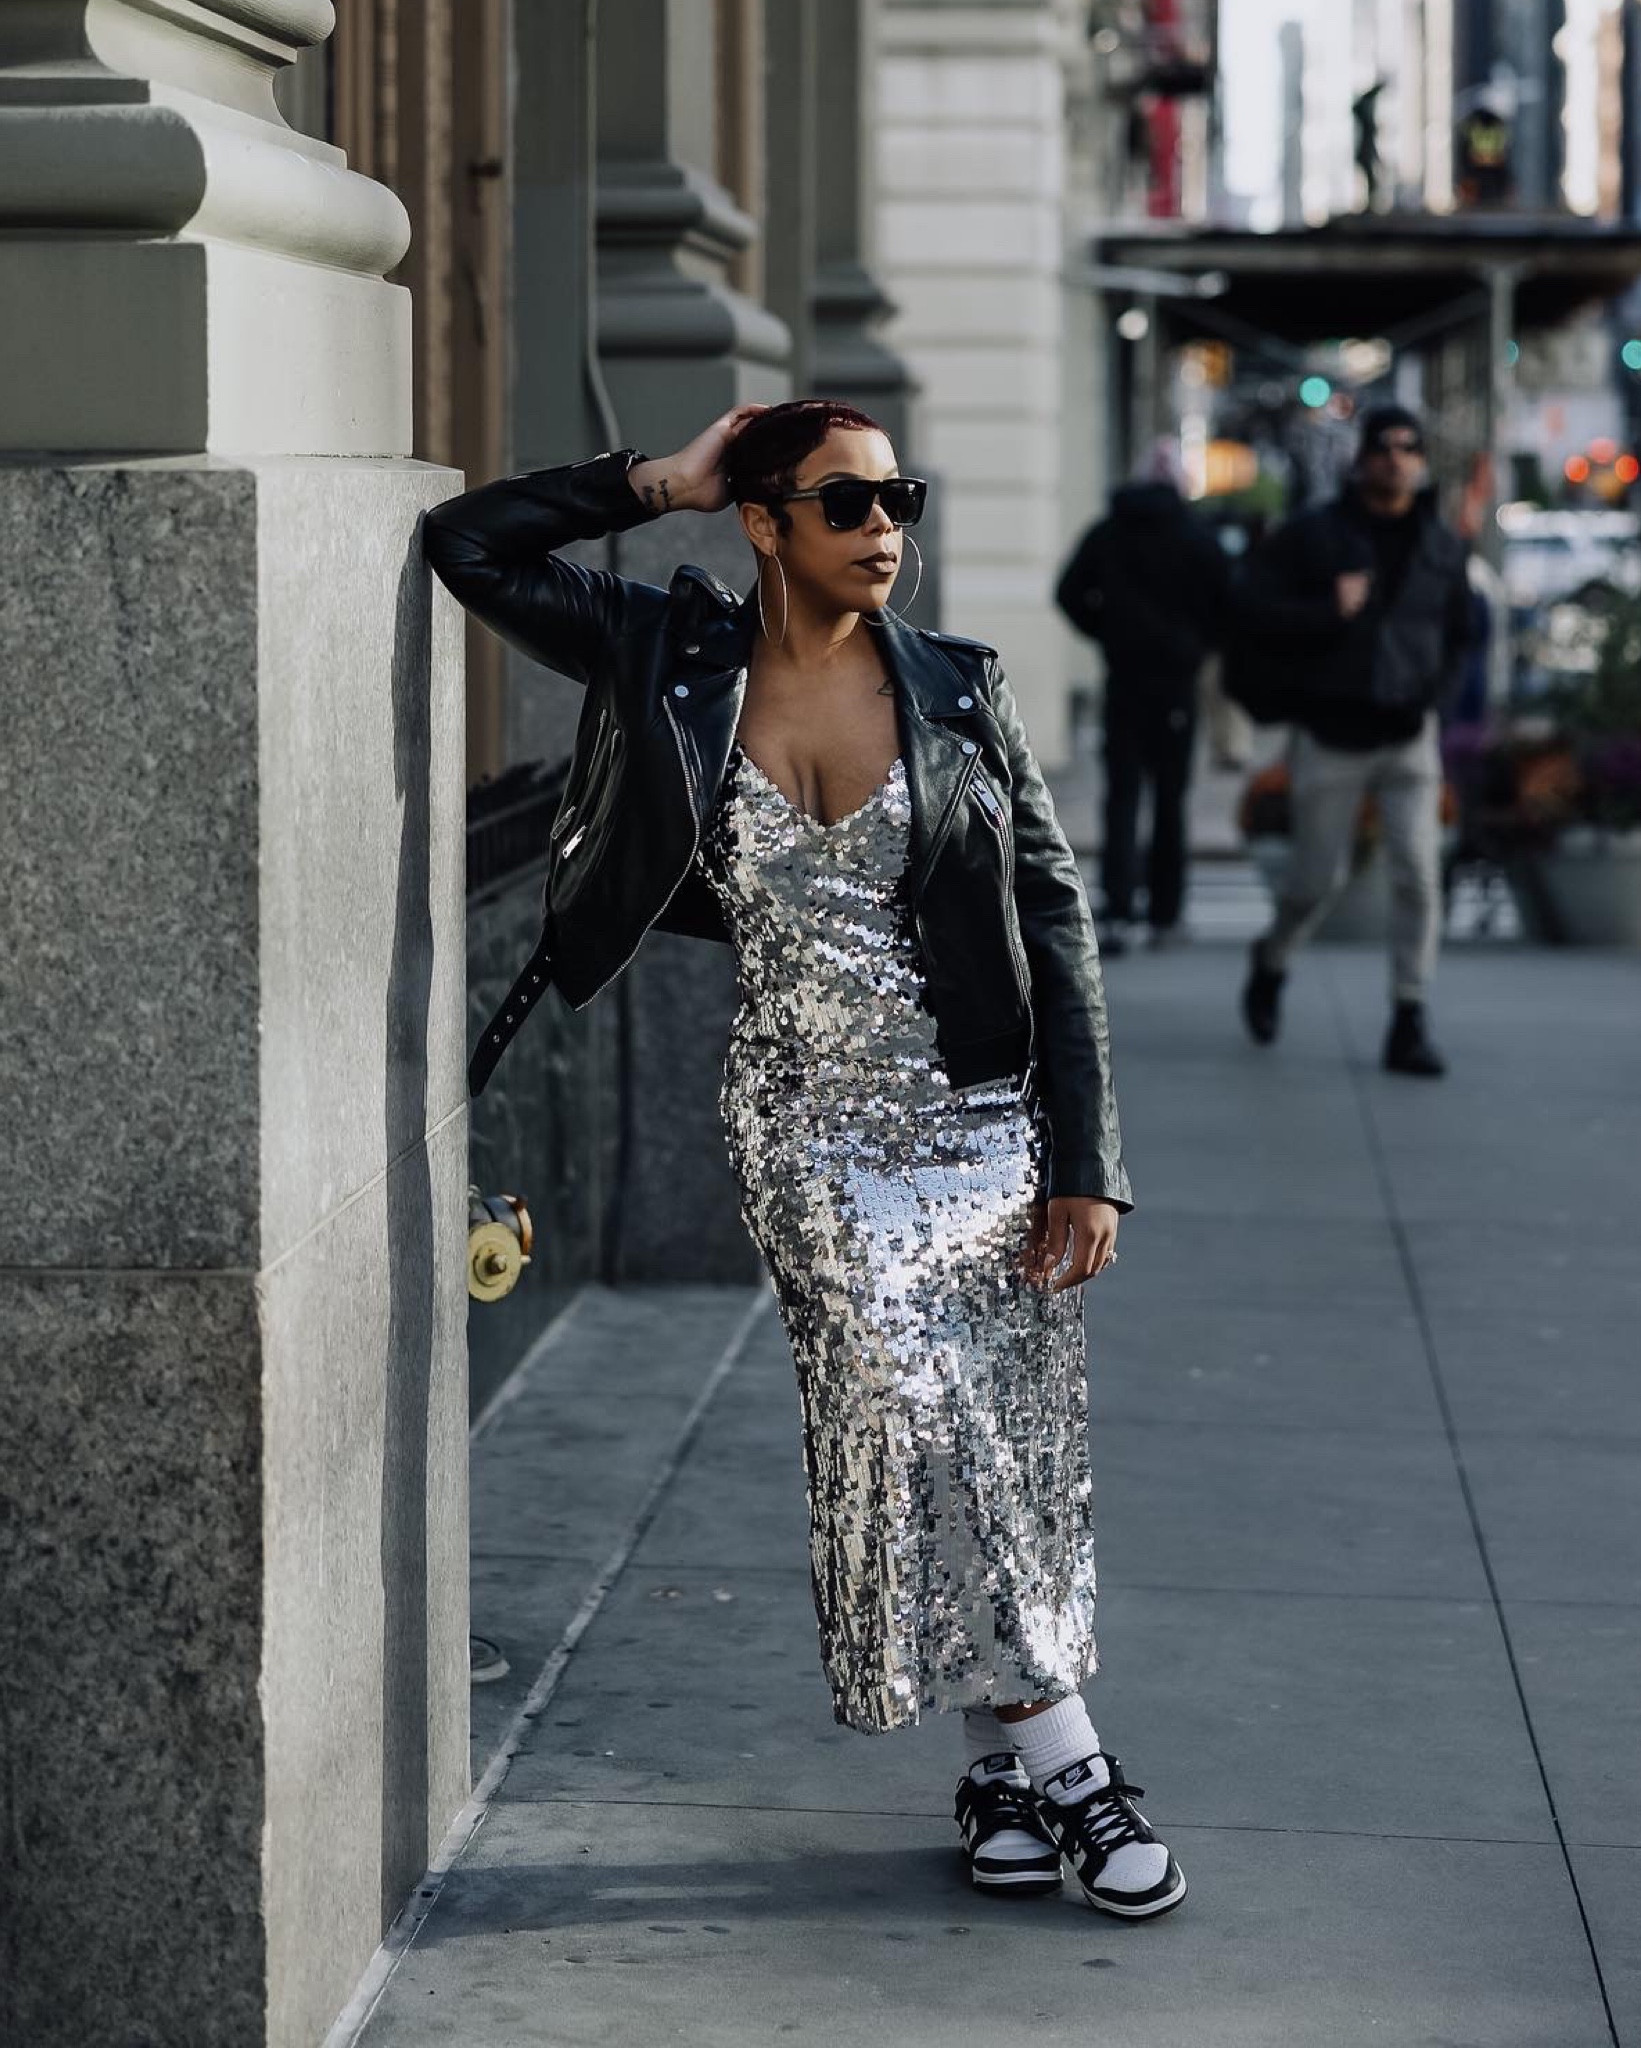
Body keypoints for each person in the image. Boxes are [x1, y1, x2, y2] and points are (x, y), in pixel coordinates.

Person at [424, 399, 1186, 1921]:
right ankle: (1078, 1763)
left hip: (983, 1120)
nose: (884, 525)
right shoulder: (664, 655)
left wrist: (1085, 1159)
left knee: (1011, 1434)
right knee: (905, 1407)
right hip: (806, 1124)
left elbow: (1052, 923)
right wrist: (656, 482)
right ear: (762, 524)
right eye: (843, 502)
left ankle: (997, 1769)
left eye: (896, 495)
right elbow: (468, 547)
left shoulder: (962, 688)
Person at [1233, 404, 1472, 1076]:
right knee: (1314, 880)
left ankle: (1408, 1015)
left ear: (1420, 462)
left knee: (1419, 878)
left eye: (1407, 447)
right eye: (1382, 446)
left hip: (1407, 735)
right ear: (1361, 458)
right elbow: (1248, 607)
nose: (1394, 458)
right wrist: (1322, 611)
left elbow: (1461, 635)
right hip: (1330, 732)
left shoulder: (1440, 543)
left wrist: (1437, 699)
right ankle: (1271, 959)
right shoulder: (1315, 534)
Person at [1055, 442, 1228, 952]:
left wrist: (1107, 630)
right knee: (1171, 799)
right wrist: (1196, 644)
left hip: (1124, 677)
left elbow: (1068, 593)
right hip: (1175, 681)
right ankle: (1165, 910)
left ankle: (1119, 904)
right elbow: (1226, 600)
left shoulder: (1109, 531)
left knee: (1122, 795)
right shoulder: (1196, 537)